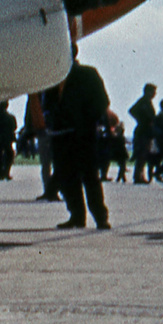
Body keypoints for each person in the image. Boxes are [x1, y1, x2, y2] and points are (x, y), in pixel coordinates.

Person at [43, 48, 111, 230]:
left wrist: (87, 120)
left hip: (83, 134)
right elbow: (47, 103)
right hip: (60, 135)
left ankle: (100, 217)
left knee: (90, 177)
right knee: (67, 178)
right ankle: (77, 215)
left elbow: (102, 101)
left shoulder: (87, 74)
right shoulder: (51, 77)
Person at [129, 83, 158, 183]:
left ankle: (139, 175)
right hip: (143, 131)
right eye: (153, 92)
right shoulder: (144, 102)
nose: (155, 94)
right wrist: (142, 119)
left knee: (143, 154)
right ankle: (138, 176)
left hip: (145, 130)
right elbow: (132, 111)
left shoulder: (146, 102)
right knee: (142, 153)